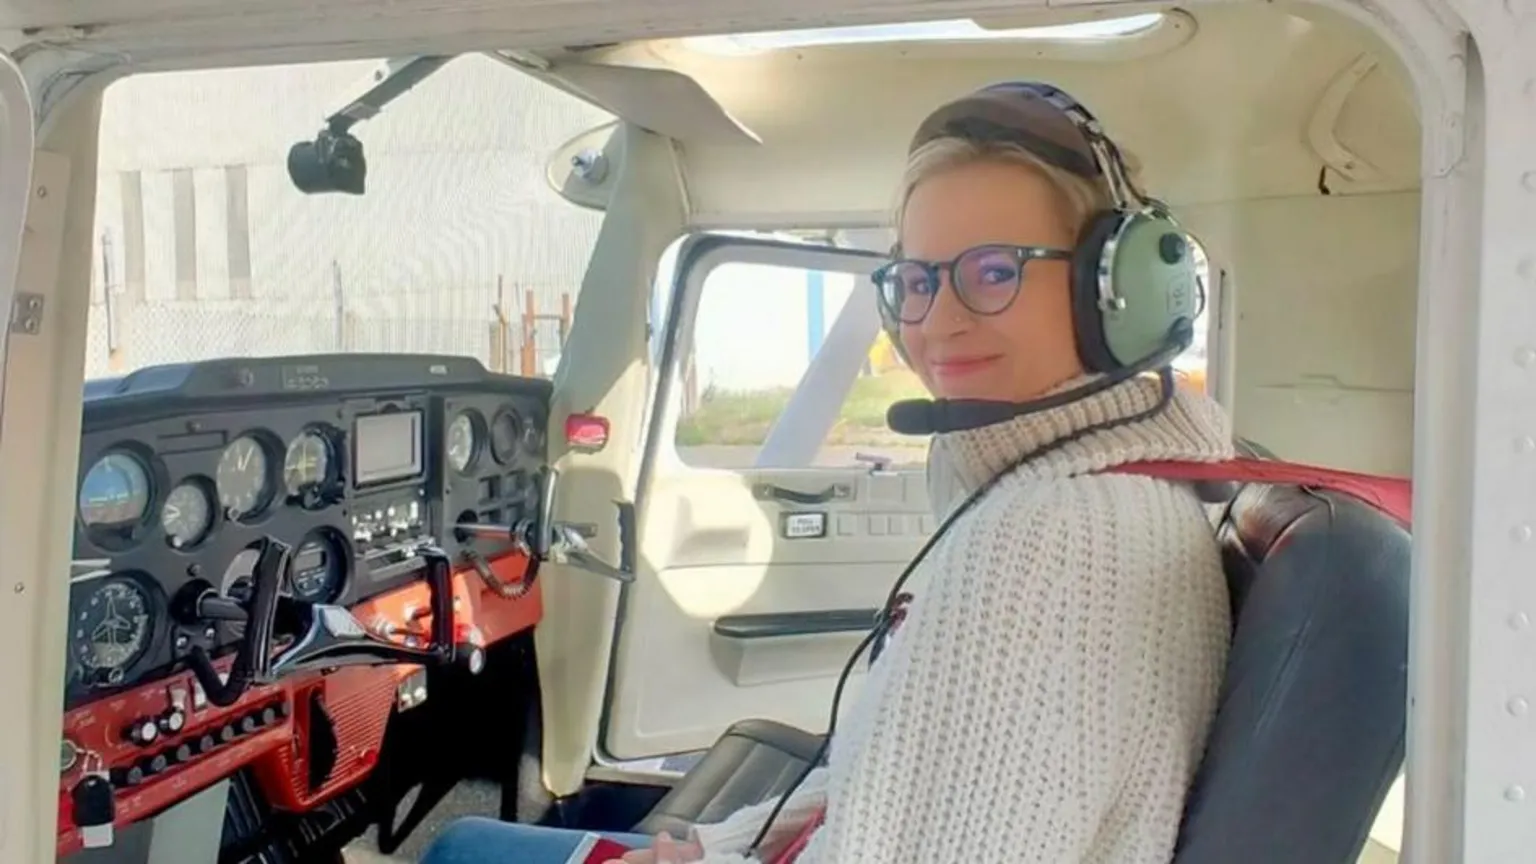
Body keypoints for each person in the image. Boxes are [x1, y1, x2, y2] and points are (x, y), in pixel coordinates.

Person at [420, 81, 1233, 864]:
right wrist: (714, 847)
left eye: (993, 271)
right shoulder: (1079, 495)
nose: (934, 322)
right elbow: (883, 781)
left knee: (459, 846)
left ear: (1115, 290)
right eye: (915, 280)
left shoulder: (1049, 540)